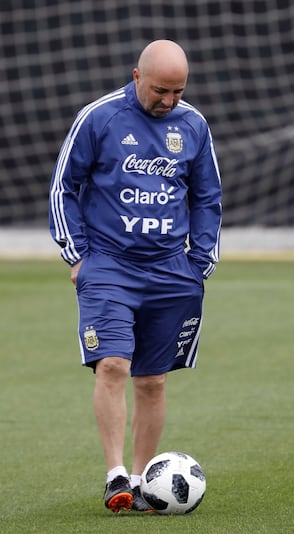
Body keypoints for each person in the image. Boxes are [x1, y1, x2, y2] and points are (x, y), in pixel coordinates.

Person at [49, 39, 222, 513]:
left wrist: (201, 260)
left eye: (178, 92)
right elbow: (64, 185)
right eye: (161, 90)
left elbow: (207, 197)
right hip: (109, 266)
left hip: (172, 271)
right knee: (113, 366)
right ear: (136, 76)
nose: (169, 101)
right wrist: (77, 255)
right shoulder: (99, 118)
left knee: (152, 380)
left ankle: (145, 482)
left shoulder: (194, 125)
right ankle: (115, 476)